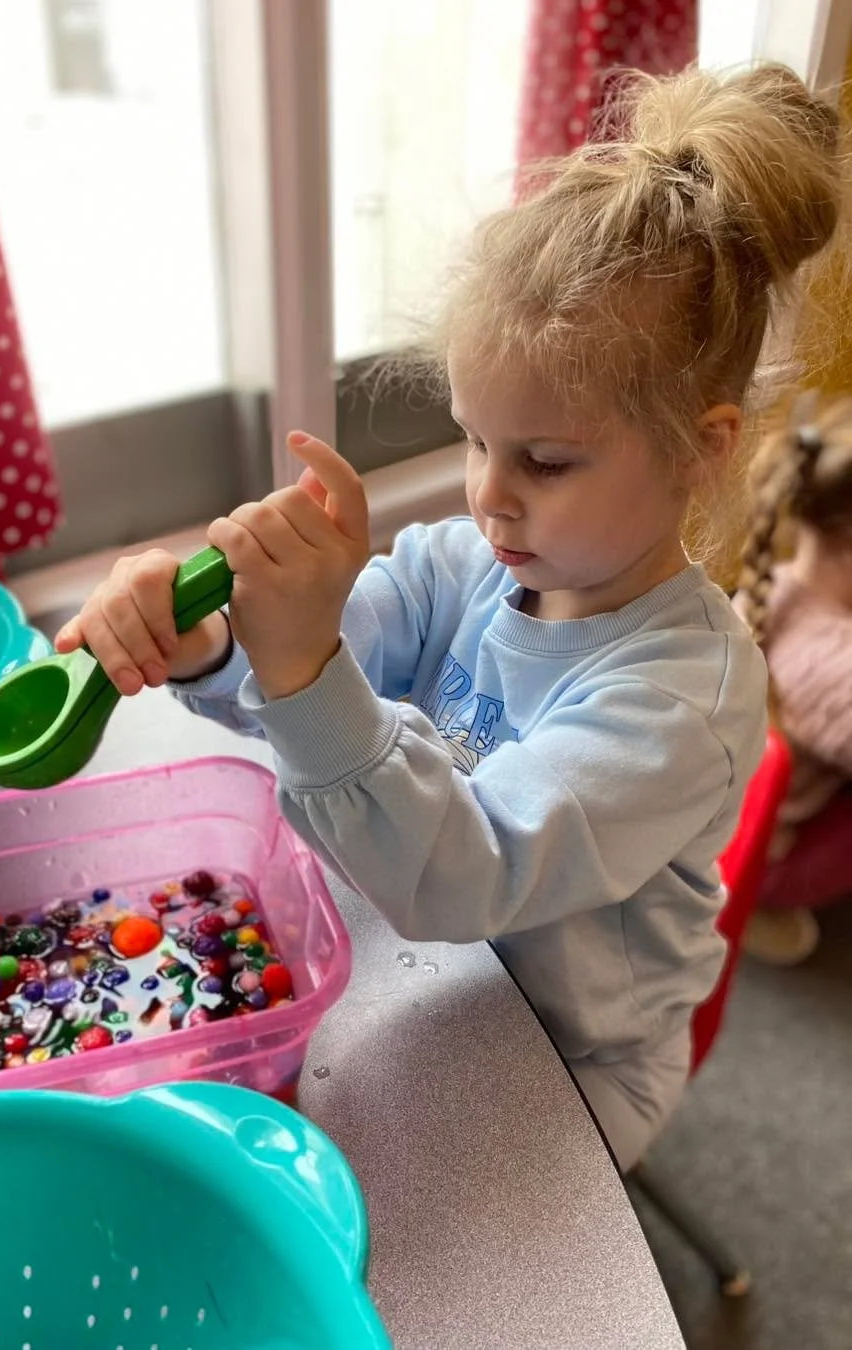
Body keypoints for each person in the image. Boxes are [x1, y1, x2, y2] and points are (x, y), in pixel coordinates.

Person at [56, 64, 842, 1170]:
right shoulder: (460, 561)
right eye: (476, 439)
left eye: (546, 460)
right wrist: (215, 641)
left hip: (572, 1059)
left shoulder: (683, 697)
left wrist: (303, 664)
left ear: (702, 448)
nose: (489, 495)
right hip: (426, 969)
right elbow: (325, 670)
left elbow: (465, 871)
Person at [737, 401, 852, 965]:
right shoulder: (838, 668)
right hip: (767, 855)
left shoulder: (769, 585)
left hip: (717, 827)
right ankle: (754, 907)